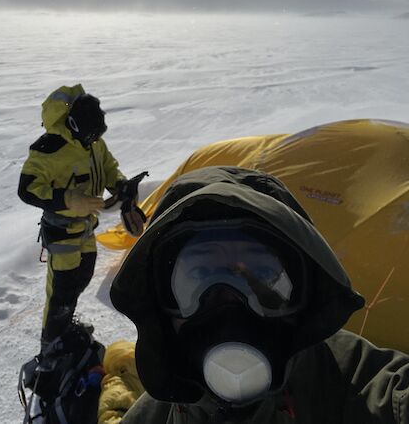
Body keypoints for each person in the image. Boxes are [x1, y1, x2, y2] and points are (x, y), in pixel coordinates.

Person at [109, 166, 409, 424]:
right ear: (159, 302)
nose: (229, 303)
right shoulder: (153, 415)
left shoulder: (356, 382)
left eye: (260, 276)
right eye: (199, 276)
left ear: (304, 295)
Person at [18, 84, 145, 350]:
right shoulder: (48, 150)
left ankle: (65, 327)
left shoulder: (94, 141)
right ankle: (51, 342)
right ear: (74, 125)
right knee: (61, 292)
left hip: (87, 228)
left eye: (96, 137)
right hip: (62, 231)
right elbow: (27, 189)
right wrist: (67, 199)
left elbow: (109, 168)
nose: (94, 141)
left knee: (83, 275)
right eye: (90, 137)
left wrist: (121, 188)